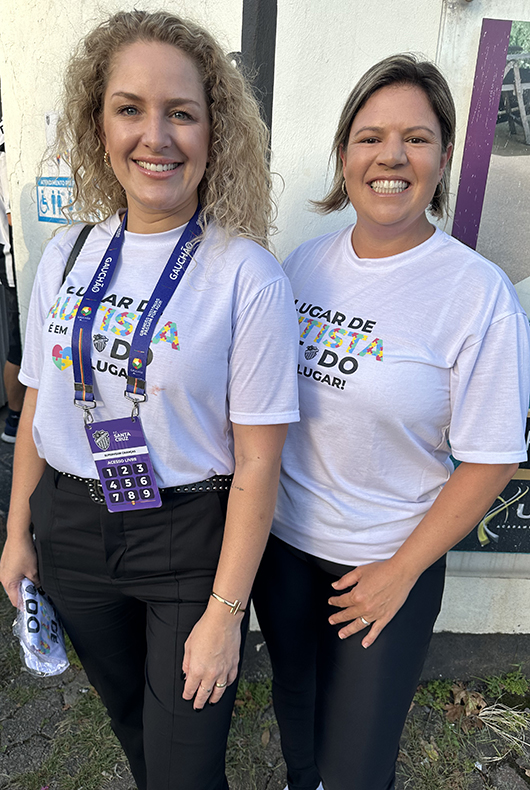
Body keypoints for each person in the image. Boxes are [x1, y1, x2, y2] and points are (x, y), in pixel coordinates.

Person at [0, 10, 299, 790]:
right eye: (130, 108)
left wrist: (226, 613)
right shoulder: (67, 253)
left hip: (186, 538)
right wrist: (17, 530)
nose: (155, 136)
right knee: (133, 719)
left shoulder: (247, 276)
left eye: (181, 113)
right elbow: (38, 403)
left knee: (184, 764)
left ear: (214, 131)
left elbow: (259, 462)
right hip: (71, 525)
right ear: (99, 126)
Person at [253, 54, 530, 790]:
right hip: (283, 549)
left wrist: (400, 574)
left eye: (416, 138)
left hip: (386, 563)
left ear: (443, 157)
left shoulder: (477, 295)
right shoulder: (300, 266)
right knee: (297, 713)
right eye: (371, 137)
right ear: (344, 154)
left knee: (357, 764)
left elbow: (492, 458)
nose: (392, 156)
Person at [0, 109, 25, 442]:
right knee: (20, 345)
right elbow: (11, 215)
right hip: (13, 260)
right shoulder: (7, 147)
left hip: (12, 258)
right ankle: (15, 419)